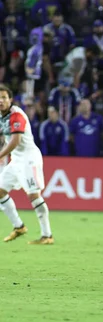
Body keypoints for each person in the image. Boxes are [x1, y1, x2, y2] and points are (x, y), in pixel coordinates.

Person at [0, 85, 53, 244]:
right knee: (0, 191)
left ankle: (47, 235)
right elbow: (8, 140)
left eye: (4, 98)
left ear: (10, 100)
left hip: (29, 159)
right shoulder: (1, 116)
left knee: (33, 195)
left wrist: (1, 155)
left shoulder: (17, 116)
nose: (1, 101)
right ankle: (19, 226)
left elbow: (16, 140)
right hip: (16, 160)